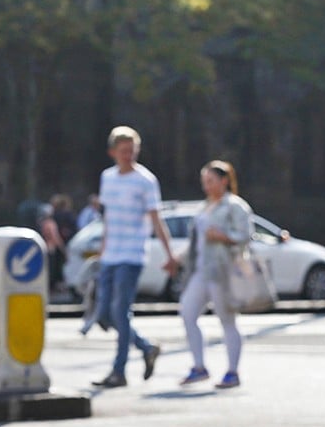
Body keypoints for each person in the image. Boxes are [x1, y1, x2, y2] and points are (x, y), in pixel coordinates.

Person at [91, 126, 178, 388]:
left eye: (133, 151)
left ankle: (119, 371)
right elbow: (108, 217)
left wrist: (170, 255)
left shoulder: (145, 180)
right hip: (110, 254)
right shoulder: (107, 178)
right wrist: (103, 248)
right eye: (124, 151)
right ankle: (146, 347)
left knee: (120, 311)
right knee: (104, 315)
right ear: (113, 152)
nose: (129, 155)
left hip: (131, 254)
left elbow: (156, 219)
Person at [177, 160, 253, 389]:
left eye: (210, 181)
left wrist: (222, 235)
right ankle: (199, 366)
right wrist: (176, 259)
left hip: (223, 270)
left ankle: (232, 371)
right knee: (187, 312)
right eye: (204, 182)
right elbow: (196, 241)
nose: (206, 186)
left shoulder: (235, 206)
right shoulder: (204, 206)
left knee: (227, 320)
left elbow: (246, 235)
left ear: (224, 181)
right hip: (201, 270)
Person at [37, 202, 66, 291]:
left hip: (43, 248)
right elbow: (55, 237)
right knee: (52, 270)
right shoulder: (50, 223)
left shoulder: (40, 222)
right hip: (51, 248)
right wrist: (63, 249)